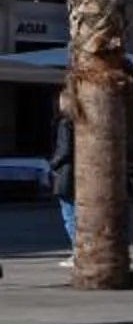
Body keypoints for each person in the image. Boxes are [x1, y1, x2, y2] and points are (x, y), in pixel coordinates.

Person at [47, 87, 76, 268]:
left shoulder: (65, 123)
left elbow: (64, 149)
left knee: (69, 214)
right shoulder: (77, 123)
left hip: (66, 172)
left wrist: (52, 164)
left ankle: (78, 252)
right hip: (78, 171)